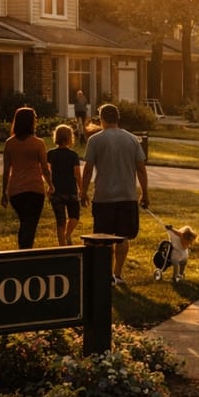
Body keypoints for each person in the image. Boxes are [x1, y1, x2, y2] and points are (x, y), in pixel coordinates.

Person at [80, 103, 149, 286]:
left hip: (103, 197)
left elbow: (88, 170)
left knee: (104, 239)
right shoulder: (132, 139)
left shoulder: (95, 140)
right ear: (118, 118)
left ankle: (106, 275)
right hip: (127, 196)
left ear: (101, 119)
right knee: (123, 237)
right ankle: (117, 273)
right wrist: (145, 193)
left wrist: (83, 192)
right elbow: (141, 169)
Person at [1, 107, 53, 249]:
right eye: (34, 119)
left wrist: (4, 193)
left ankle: (23, 251)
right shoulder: (38, 143)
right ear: (30, 122)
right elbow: (44, 168)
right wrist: (51, 185)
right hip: (34, 190)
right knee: (29, 224)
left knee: (25, 222)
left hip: (15, 191)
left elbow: (6, 170)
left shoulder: (9, 143)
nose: (36, 121)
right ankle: (25, 253)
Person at [47, 124, 83, 246]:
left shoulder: (51, 154)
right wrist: (81, 189)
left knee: (60, 221)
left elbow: (47, 172)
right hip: (71, 190)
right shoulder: (73, 155)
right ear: (70, 138)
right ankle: (68, 235)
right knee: (75, 216)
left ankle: (62, 245)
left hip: (56, 191)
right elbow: (77, 174)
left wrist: (49, 185)